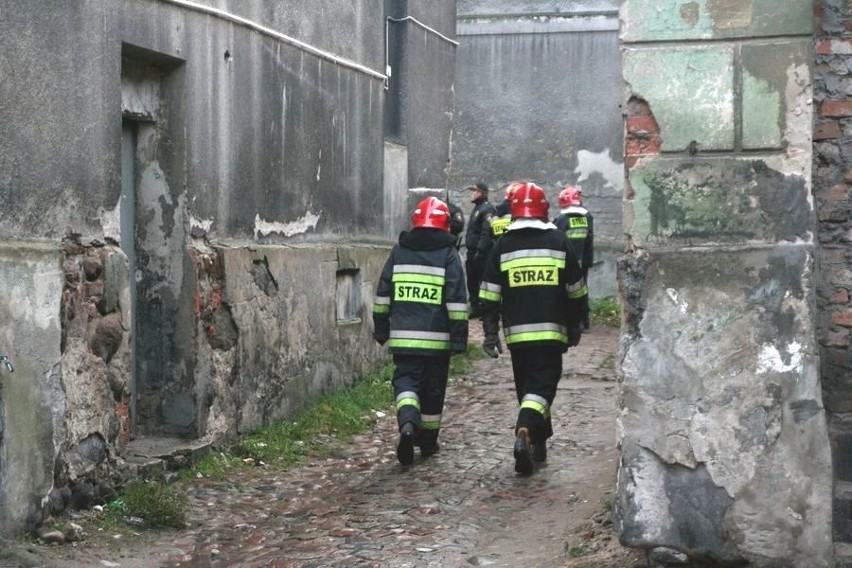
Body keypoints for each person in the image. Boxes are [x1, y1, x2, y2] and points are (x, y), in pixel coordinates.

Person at [478, 182, 587, 475]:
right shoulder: (558, 241)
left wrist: (490, 333)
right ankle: (524, 429)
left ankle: (539, 441)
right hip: (551, 334)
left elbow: (488, 294)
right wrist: (576, 323)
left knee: (529, 388)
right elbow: (577, 290)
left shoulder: (503, 245)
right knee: (541, 389)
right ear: (544, 210)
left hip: (517, 336)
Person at [372, 196, 469, 465]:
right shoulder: (448, 255)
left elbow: (383, 295)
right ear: (445, 225)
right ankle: (427, 442)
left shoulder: (399, 252)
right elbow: (456, 302)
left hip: (404, 339)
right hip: (438, 343)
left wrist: (381, 329)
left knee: (405, 383)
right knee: (433, 390)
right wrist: (459, 339)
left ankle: (406, 425)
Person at [463, 182, 501, 357]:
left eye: (476, 191)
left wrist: (480, 250)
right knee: (472, 282)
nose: (473, 194)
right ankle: (477, 307)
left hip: (482, 254)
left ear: (483, 192)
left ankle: (486, 315)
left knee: (483, 287)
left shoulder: (487, 209)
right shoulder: (478, 208)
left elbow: (487, 232)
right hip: (473, 252)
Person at [553, 185, 594, 329]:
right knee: (582, 290)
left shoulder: (562, 219)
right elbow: (589, 239)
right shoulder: (587, 216)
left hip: (566, 262)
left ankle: (570, 321)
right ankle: (583, 321)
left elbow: (555, 239)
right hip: (583, 261)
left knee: (566, 292)